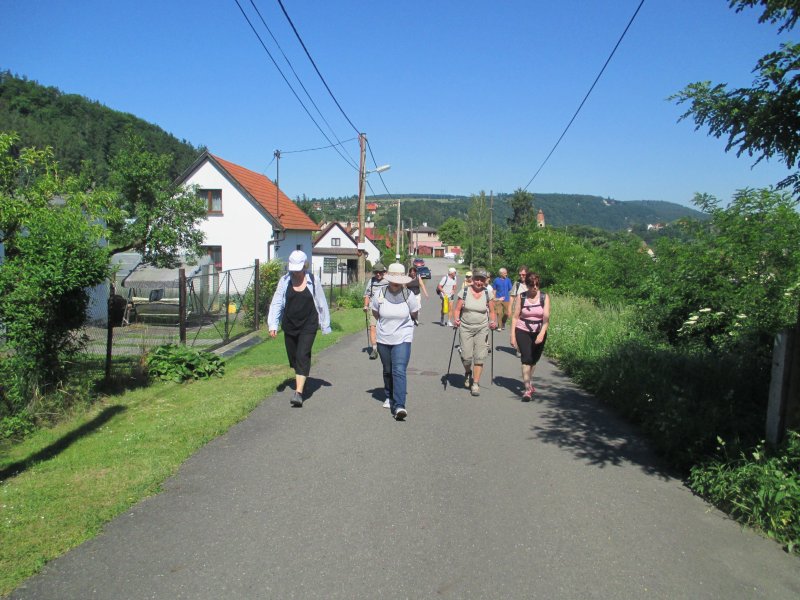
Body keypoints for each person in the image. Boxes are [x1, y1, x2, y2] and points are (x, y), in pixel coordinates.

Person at [267, 250, 332, 407]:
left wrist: (325, 325)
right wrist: (273, 324)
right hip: (290, 325)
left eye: (298, 268)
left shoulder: (312, 280)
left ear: (305, 265)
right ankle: (301, 375)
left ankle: (298, 393)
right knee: (294, 357)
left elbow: (321, 302)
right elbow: (277, 302)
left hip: (308, 324)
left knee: (303, 354)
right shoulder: (284, 281)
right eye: (293, 268)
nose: (295, 272)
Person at [371, 263, 420, 420]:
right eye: (393, 279)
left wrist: (404, 326)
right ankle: (389, 395)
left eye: (399, 279)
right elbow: (375, 312)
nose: (395, 282)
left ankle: (399, 405)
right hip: (384, 336)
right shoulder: (380, 294)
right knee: (387, 369)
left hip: (403, 336)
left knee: (399, 369)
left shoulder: (409, 295)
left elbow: (414, 312)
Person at [453, 268, 497, 396]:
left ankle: (476, 384)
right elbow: (457, 310)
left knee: (479, 356)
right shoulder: (465, 291)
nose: (479, 282)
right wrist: (456, 319)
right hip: (465, 327)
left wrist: (493, 322)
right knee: (466, 357)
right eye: (477, 279)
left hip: (482, 328)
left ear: (485, 281)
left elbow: (493, 312)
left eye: (482, 280)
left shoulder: (488, 293)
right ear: (472, 279)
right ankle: (468, 372)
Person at [510, 272, 550, 401]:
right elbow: (515, 317)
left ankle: (529, 381)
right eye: (532, 285)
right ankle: (527, 389)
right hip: (523, 330)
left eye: (537, 284)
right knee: (526, 359)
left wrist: (542, 333)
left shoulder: (544, 297)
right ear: (527, 285)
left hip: (539, 331)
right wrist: (512, 336)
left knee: (533, 360)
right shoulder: (521, 297)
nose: (535, 287)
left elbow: (546, 320)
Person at [363, 262, 388, 359]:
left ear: (384, 272)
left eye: (380, 272)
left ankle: (385, 346)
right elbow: (367, 294)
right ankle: (374, 350)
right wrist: (365, 305)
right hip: (373, 308)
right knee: (372, 327)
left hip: (386, 308)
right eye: (376, 272)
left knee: (384, 328)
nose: (378, 274)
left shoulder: (388, 281)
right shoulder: (372, 281)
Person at [510, 265, 528, 357]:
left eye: (524, 275)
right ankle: (519, 349)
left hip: (528, 312)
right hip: (518, 311)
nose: (522, 276)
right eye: (520, 275)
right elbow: (512, 297)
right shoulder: (517, 284)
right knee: (518, 330)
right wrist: (509, 309)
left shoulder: (532, 284)